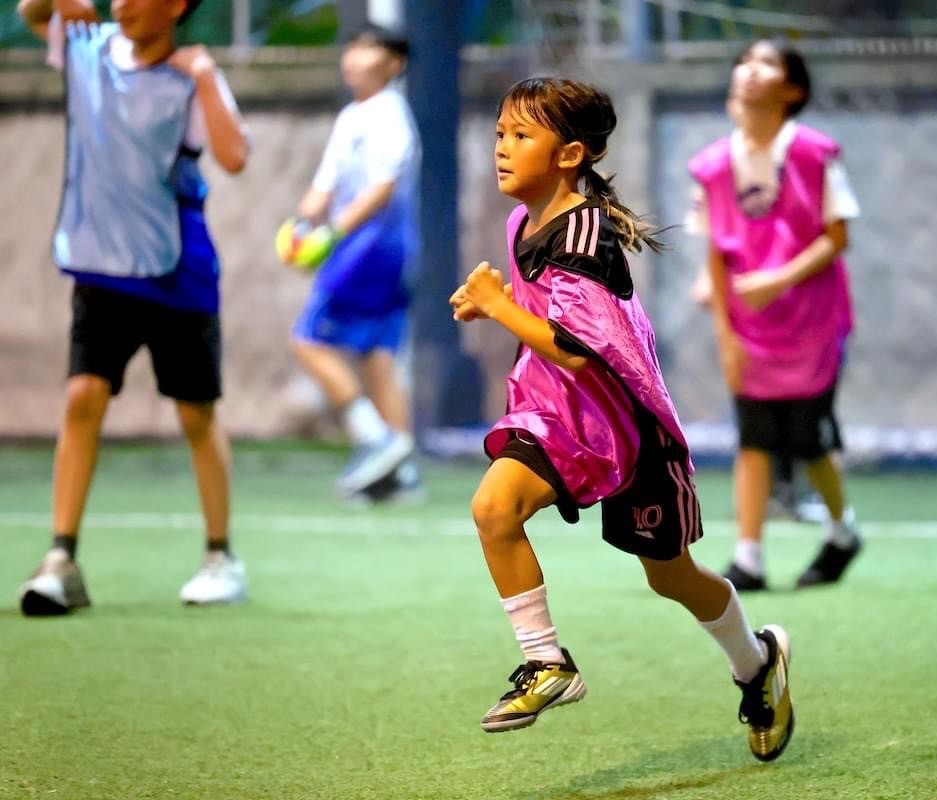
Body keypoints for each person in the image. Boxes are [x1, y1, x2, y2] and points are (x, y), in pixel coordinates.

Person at [449, 77, 794, 761]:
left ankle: (757, 663)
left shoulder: (585, 233)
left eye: (522, 135)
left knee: (669, 576)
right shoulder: (526, 223)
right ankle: (547, 662)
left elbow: (578, 352)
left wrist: (498, 306)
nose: (503, 149)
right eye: (500, 134)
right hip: (555, 418)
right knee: (493, 509)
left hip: (625, 431)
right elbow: (550, 333)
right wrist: (489, 302)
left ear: (570, 153)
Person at [16, 0, 250, 615]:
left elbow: (234, 157)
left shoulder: (191, 74)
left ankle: (221, 556)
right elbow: (31, 11)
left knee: (196, 413)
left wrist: (202, 76)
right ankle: (61, 558)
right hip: (101, 265)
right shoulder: (88, 48)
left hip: (177, 266)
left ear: (175, 7)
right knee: (82, 396)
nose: (122, 2)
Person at [689, 39, 861, 592]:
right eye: (743, 61)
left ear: (793, 89)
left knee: (809, 442)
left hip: (813, 321)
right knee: (754, 439)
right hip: (750, 329)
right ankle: (749, 556)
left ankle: (842, 530)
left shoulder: (814, 154)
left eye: (766, 63)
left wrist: (778, 279)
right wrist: (725, 335)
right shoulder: (714, 166)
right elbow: (715, 252)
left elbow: (838, 236)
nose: (748, 71)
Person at [279, 23, 421, 501]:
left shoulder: (390, 114)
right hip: (368, 247)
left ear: (393, 64)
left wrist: (332, 235)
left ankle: (374, 439)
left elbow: (381, 189)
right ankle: (401, 473)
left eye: (370, 49)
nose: (356, 57)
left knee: (307, 340)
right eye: (354, 47)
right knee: (377, 356)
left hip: (373, 246)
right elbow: (323, 187)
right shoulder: (351, 117)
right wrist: (300, 227)